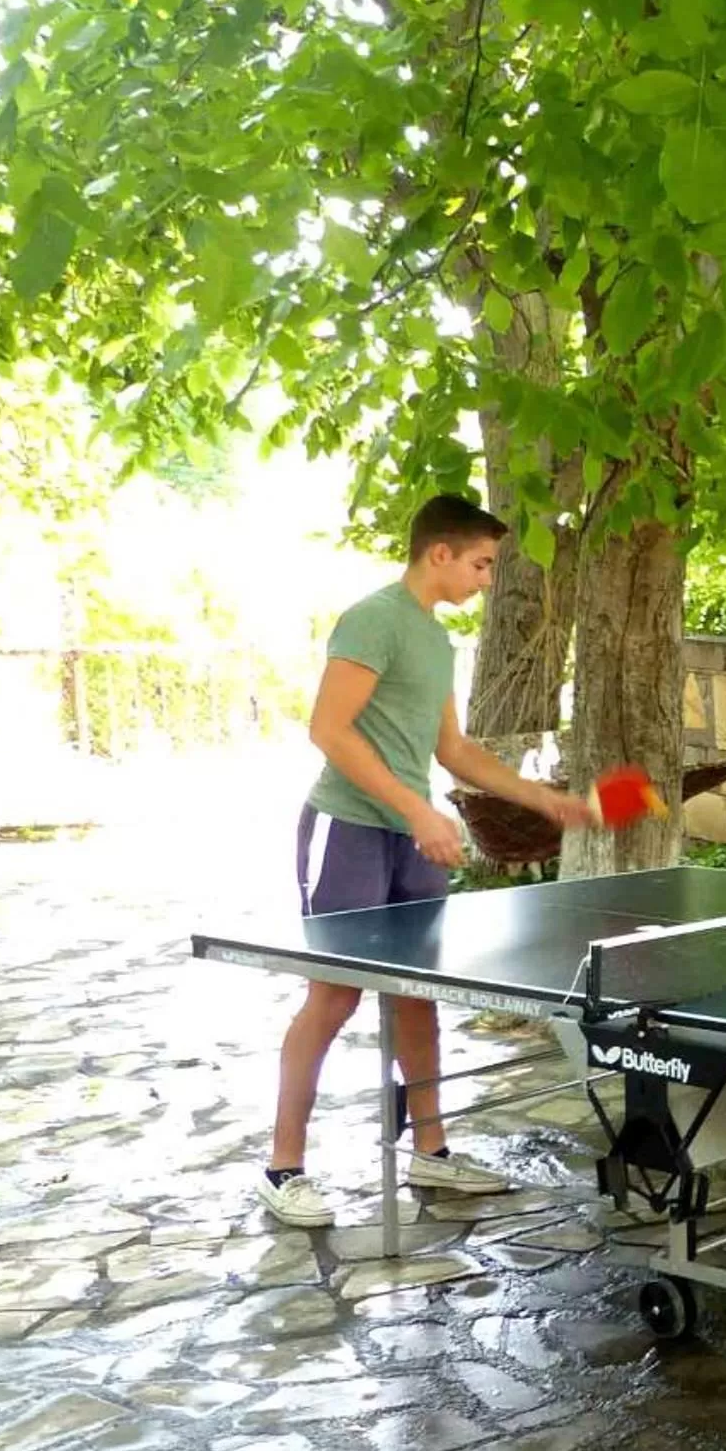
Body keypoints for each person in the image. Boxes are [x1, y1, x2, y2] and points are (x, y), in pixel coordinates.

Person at [257, 494, 594, 1229]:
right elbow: (328, 729)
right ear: (438, 553)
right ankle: (284, 1169)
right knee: (335, 997)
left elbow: (454, 751)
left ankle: (431, 1156)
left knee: (418, 991)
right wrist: (416, 810)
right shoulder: (374, 619)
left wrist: (544, 799)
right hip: (348, 829)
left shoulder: (437, 642)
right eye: (479, 563)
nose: (484, 579)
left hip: (412, 838)